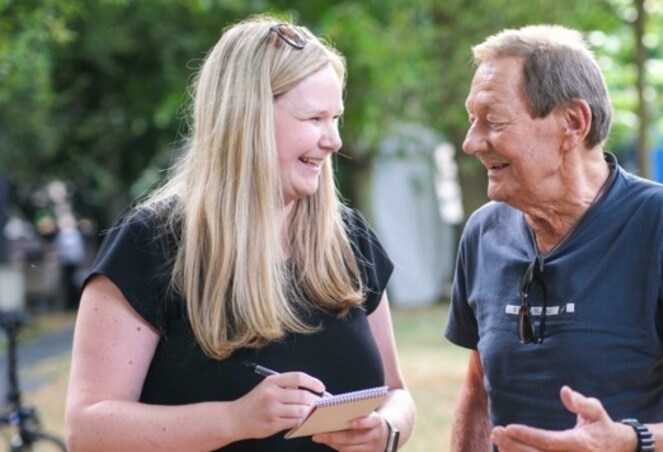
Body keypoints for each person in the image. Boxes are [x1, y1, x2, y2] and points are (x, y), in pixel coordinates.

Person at [65, 14, 415, 451]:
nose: (334, 140)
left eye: (336, 118)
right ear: (246, 121)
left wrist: (386, 431)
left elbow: (396, 394)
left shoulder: (350, 239)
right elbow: (87, 430)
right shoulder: (150, 244)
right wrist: (234, 420)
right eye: (314, 118)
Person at [445, 24, 663, 452]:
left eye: (494, 121)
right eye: (472, 120)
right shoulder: (483, 233)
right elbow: (479, 390)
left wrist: (631, 441)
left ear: (573, 122)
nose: (471, 142)